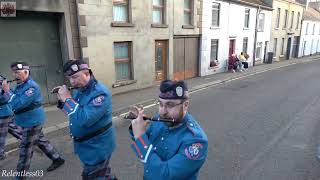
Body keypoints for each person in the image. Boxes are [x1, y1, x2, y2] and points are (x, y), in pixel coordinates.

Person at [129, 80, 208, 180]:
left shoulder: (196, 141)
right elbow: (145, 141)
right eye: (160, 104)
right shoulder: (160, 120)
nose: (163, 112)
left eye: (170, 105)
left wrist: (139, 136)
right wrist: (137, 126)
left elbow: (164, 175)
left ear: (185, 105)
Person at [1, 61, 65, 179]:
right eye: (14, 73)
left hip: (32, 122)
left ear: (26, 72)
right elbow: (9, 99)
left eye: (18, 72)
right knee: (40, 141)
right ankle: (57, 159)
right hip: (25, 121)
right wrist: (3, 91)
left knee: (25, 150)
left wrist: (7, 91)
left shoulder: (32, 87)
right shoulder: (20, 85)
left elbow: (17, 104)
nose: (15, 75)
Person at [56, 59, 117, 180]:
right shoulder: (80, 91)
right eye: (70, 78)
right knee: (102, 174)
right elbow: (73, 114)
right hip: (86, 146)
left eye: (75, 77)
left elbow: (85, 119)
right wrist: (62, 101)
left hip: (97, 147)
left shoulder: (100, 94)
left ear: (87, 73)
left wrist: (68, 99)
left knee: (92, 176)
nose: (72, 82)